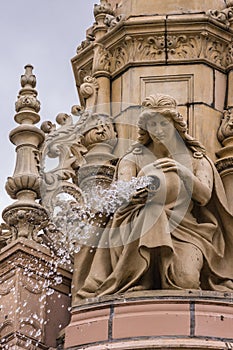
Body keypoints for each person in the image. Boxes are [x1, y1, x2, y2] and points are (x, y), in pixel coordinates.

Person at [73, 94, 233, 302]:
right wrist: (138, 186)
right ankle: (140, 278)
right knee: (152, 211)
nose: (158, 130)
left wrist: (181, 171)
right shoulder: (132, 158)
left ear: (176, 126)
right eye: (152, 125)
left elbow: (203, 196)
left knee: (187, 281)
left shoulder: (196, 159)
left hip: (187, 230)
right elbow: (121, 195)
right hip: (137, 227)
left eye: (163, 124)